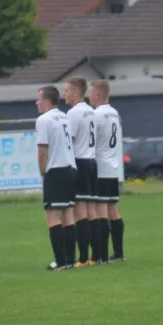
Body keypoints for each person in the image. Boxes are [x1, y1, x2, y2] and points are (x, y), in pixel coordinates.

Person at [35, 85, 77, 270]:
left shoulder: (44, 120)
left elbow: (42, 150)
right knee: (68, 215)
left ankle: (60, 262)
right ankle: (70, 260)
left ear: (47, 101)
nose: (36, 103)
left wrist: (43, 173)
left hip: (56, 170)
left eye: (38, 99)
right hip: (70, 169)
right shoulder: (65, 117)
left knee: (52, 217)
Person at [88, 80, 125, 263]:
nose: (88, 96)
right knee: (114, 211)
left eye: (90, 93)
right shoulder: (114, 112)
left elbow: (91, 141)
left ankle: (102, 255)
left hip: (101, 166)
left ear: (97, 95)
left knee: (100, 210)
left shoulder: (96, 114)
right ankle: (118, 253)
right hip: (113, 166)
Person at [64, 77, 99, 267]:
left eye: (67, 91)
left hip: (80, 162)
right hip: (92, 161)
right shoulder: (91, 111)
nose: (64, 94)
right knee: (91, 211)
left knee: (80, 212)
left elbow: (70, 141)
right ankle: (96, 255)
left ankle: (83, 258)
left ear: (76, 92)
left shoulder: (73, 113)